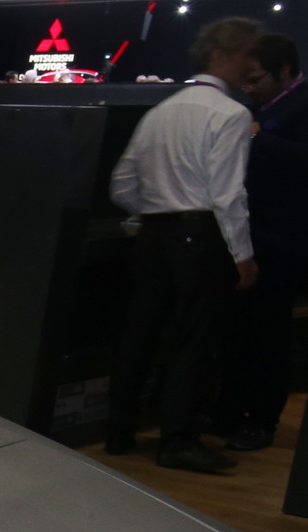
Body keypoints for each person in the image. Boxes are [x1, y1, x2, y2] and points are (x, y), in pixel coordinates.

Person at [107, 18, 264, 473]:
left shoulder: (160, 112)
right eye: (247, 54)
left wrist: (151, 211)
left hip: (153, 235)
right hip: (199, 238)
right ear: (221, 56)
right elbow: (228, 194)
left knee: (140, 333)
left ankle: (119, 432)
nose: (253, 65)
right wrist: (243, 255)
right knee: (194, 340)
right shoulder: (230, 114)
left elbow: (122, 183)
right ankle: (178, 441)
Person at [213, 33, 307, 451]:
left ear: (285, 70)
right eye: (245, 81)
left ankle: (262, 420)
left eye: (257, 80)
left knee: (269, 332)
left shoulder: (301, 104)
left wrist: (257, 137)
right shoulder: (254, 106)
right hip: (245, 233)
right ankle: (228, 412)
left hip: (284, 238)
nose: (249, 88)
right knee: (237, 330)